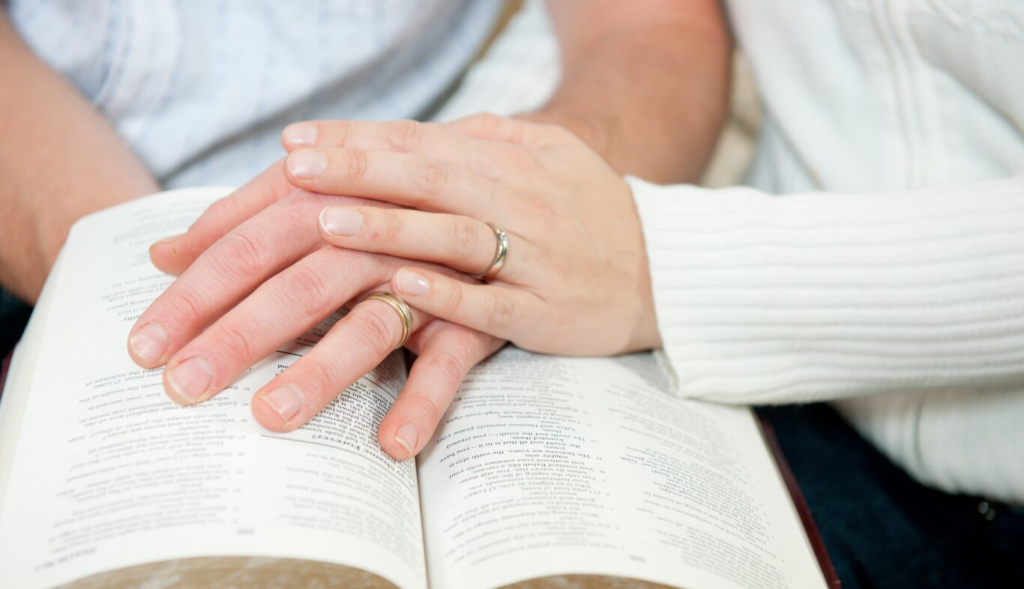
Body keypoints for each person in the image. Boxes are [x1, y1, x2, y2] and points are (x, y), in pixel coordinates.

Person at [134, 1, 1024, 586]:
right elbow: (626, 27)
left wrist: (652, 263)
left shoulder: (669, 267)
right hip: (784, 407)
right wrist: (468, 186)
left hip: (756, 320)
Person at [0, 0, 730, 457]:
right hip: (57, 219)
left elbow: (651, 26)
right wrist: (156, 285)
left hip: (399, 227)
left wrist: (509, 194)